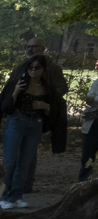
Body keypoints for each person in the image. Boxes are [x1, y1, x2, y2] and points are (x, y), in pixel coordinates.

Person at [0, 55, 66, 209]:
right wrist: (16, 92)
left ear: (43, 69)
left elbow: (56, 110)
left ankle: (17, 196)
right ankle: (3, 197)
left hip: (35, 125)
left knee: (24, 163)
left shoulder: (47, 89)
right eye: (30, 67)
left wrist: (46, 106)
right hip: (17, 122)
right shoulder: (17, 83)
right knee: (9, 162)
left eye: (37, 67)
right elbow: (5, 107)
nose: (33, 70)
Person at [21, 38, 68, 193]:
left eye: (35, 46)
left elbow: (62, 87)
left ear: (42, 48)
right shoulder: (22, 66)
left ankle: (27, 184)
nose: (31, 49)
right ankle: (17, 183)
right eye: (29, 46)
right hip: (21, 113)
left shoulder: (52, 68)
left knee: (30, 149)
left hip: (40, 114)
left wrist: (47, 97)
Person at [81, 61, 98, 182]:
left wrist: (95, 98)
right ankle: (83, 183)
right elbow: (88, 99)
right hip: (94, 123)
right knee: (87, 156)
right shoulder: (97, 82)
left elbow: (93, 98)